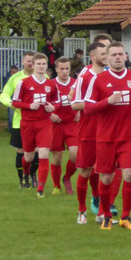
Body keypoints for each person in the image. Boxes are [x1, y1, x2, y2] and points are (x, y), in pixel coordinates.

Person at [84, 41, 131, 231]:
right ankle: (106, 216)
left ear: (125, 56)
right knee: (107, 178)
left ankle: (126, 216)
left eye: (120, 54)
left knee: (130, 175)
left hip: (128, 136)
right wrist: (107, 101)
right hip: (106, 137)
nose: (118, 58)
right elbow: (87, 109)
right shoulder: (98, 79)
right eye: (114, 55)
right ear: (107, 58)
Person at [12, 53, 61, 198]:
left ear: (47, 66)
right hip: (27, 123)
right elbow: (15, 102)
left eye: (44, 64)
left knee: (44, 153)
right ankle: (26, 173)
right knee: (28, 157)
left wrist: (53, 107)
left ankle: (40, 189)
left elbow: (57, 101)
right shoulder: (24, 82)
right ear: (33, 65)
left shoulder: (51, 84)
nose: (41, 66)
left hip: (44, 123)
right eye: (38, 64)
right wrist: (29, 106)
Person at [71, 41, 108, 224]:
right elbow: (75, 104)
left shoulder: (111, 75)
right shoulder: (85, 77)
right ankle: (81, 210)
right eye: (103, 54)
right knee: (85, 170)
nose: (106, 57)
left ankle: (102, 210)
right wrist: (100, 104)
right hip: (89, 131)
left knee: (105, 171)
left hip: (108, 131)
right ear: (93, 56)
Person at [0, 51, 40, 188]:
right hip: (20, 122)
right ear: (23, 62)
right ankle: (23, 178)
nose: (31, 64)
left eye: (33, 61)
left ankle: (33, 175)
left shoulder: (43, 77)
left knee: (38, 151)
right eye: (28, 61)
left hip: (39, 121)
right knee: (22, 151)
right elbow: (4, 94)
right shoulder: (16, 78)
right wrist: (11, 103)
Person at [49, 57, 78, 195]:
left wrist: (81, 111)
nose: (65, 71)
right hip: (56, 124)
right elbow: (43, 104)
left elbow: (86, 100)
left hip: (73, 123)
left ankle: (67, 177)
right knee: (57, 157)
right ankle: (56, 186)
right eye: (62, 69)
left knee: (76, 155)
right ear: (56, 69)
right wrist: (50, 115)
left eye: (67, 68)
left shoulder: (76, 83)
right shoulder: (50, 84)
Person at [4, 65, 18, 132]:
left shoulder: (17, 76)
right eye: (15, 69)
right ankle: (11, 129)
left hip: (17, 97)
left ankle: (15, 128)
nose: (16, 70)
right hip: (11, 97)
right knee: (11, 114)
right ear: (12, 69)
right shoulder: (9, 77)